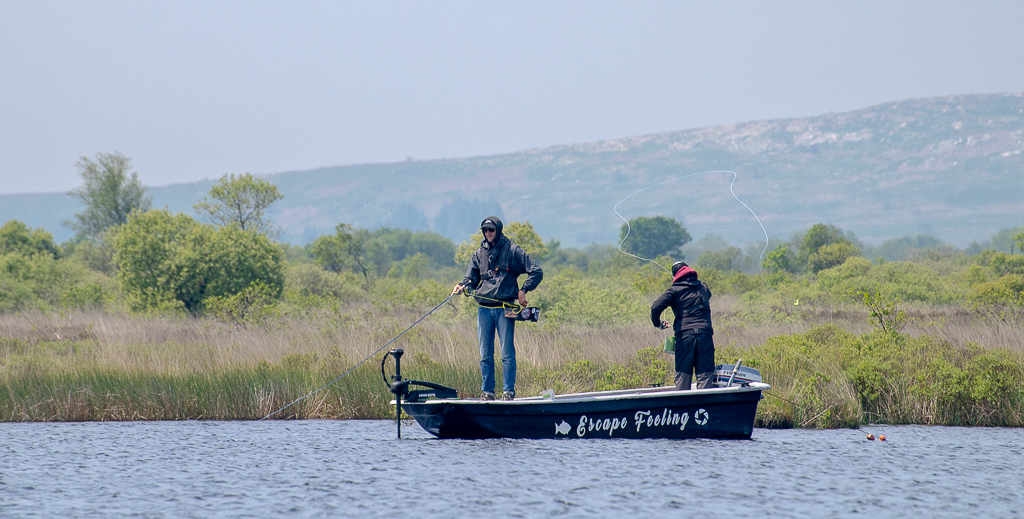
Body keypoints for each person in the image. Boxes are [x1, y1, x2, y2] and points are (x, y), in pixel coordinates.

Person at [452, 216, 543, 401]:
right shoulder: (478, 254)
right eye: (485, 230)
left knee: (507, 353)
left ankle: (508, 392)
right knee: (485, 354)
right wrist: (462, 286)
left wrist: (523, 290)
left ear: (498, 231)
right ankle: (488, 393)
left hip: (505, 309)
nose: (488, 233)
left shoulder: (513, 250)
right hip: (484, 310)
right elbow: (471, 279)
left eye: (491, 230)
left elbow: (536, 271)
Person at [650, 261, 715, 390]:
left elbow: (655, 307)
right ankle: (705, 407)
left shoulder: (674, 291)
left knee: (683, 375)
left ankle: (683, 406)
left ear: (675, 275)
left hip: (685, 336)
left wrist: (658, 324)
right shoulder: (704, 287)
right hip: (705, 336)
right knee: (705, 375)